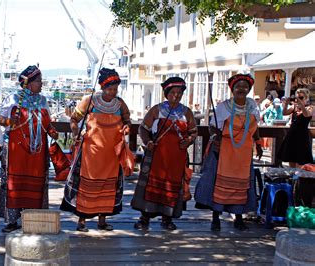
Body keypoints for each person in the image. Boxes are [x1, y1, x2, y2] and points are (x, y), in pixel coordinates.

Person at [60, 68, 131, 232]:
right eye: (110, 89)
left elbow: (127, 120)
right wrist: (76, 132)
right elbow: (74, 119)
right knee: (87, 184)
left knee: (108, 185)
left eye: (115, 89)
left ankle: (102, 220)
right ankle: (82, 221)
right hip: (91, 153)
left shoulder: (120, 104)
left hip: (112, 154)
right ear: (102, 87)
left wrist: (127, 127)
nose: (113, 92)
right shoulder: (89, 101)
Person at [194, 74, 263, 231]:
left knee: (242, 185)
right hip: (224, 150)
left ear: (249, 89)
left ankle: (238, 218)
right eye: (238, 86)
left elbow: (255, 127)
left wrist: (258, 143)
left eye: (245, 86)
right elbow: (213, 126)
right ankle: (216, 218)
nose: (242, 89)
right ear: (232, 89)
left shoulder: (252, 106)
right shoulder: (224, 107)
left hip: (244, 153)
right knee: (217, 183)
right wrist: (215, 137)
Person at [0, 65, 58, 233]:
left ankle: (33, 218)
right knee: (14, 183)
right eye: (38, 81)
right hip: (17, 150)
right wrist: (10, 122)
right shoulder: (13, 99)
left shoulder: (43, 101)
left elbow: (46, 123)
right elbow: (0, 119)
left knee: (36, 183)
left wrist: (52, 131)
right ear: (28, 83)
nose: (41, 84)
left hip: (37, 152)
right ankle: (11, 220)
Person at [131, 77, 197, 231]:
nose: (176, 96)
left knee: (172, 187)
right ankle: (145, 218)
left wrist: (188, 141)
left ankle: (167, 218)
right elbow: (143, 129)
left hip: (177, 158)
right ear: (166, 94)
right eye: (173, 92)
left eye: (179, 93)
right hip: (157, 156)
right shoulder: (157, 110)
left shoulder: (186, 112)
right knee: (151, 186)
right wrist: (148, 142)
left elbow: (193, 132)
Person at [277, 88, 313, 168]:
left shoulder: (310, 107)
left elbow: (306, 115)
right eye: (297, 97)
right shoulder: (294, 107)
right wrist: (286, 103)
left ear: (306, 98)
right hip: (292, 134)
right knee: (291, 158)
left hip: (302, 136)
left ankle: (299, 178)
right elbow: (284, 113)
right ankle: (292, 177)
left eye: (301, 98)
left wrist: (301, 105)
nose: (298, 100)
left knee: (301, 160)